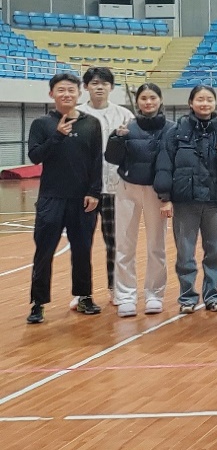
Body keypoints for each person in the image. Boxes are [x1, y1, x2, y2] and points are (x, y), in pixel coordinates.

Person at [155, 85, 217, 314]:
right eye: (200, 99)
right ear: (191, 103)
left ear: (215, 103)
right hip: (185, 201)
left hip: (215, 201)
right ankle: (187, 297)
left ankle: (213, 295)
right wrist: (165, 197)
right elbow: (165, 165)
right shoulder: (176, 131)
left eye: (209, 99)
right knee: (185, 254)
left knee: (214, 252)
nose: (205, 103)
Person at [25, 73, 102, 324]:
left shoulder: (91, 124)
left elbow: (96, 162)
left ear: (79, 93)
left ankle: (84, 296)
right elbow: (35, 157)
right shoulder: (41, 124)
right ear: (51, 94)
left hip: (82, 199)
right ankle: (38, 303)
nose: (66, 94)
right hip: (51, 198)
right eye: (61, 90)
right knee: (44, 251)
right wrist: (57, 135)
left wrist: (94, 192)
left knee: (82, 250)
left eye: (71, 90)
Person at [104, 82, 173, 317]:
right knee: (125, 245)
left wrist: (167, 195)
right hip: (128, 189)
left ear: (160, 100)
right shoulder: (127, 127)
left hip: (156, 192)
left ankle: (155, 294)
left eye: (153, 97)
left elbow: (172, 164)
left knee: (156, 245)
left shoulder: (171, 129)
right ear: (138, 102)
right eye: (144, 98)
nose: (148, 102)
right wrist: (117, 138)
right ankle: (125, 296)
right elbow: (112, 158)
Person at [79, 66, 132, 301]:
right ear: (86, 87)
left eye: (104, 83)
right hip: (84, 190)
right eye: (94, 83)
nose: (99, 87)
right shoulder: (76, 114)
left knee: (115, 242)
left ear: (111, 87)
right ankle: (81, 292)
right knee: (81, 243)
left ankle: (115, 287)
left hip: (114, 189)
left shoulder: (124, 115)